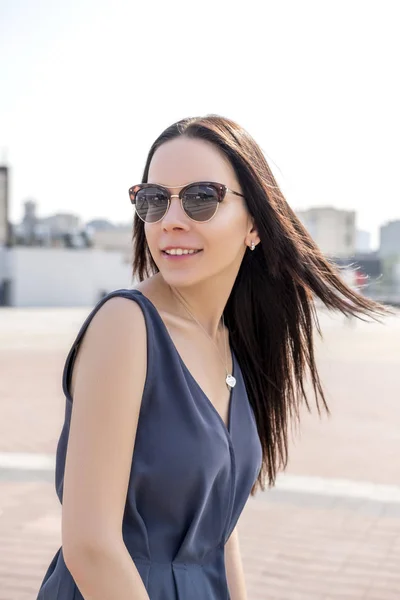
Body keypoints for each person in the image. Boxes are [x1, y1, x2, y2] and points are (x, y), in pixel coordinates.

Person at [36, 115, 386, 600]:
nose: (171, 219)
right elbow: (91, 545)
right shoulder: (126, 325)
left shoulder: (230, 340)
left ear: (256, 226)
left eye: (202, 198)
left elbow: (220, 533)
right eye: (154, 200)